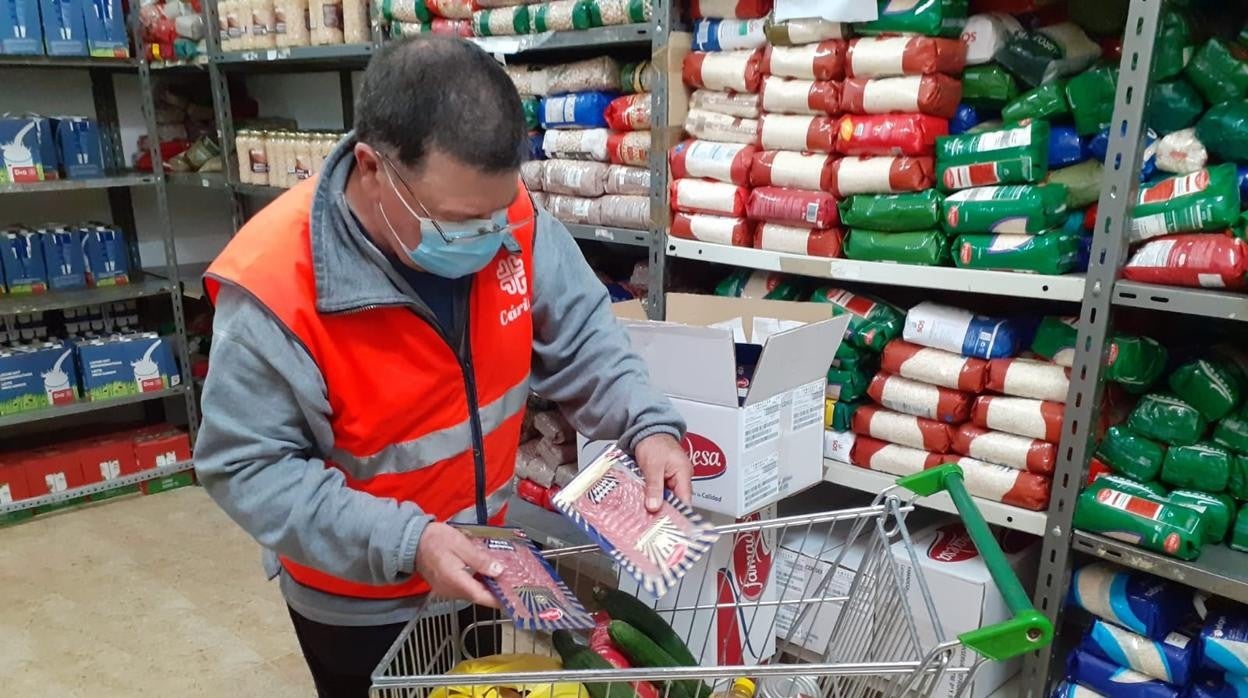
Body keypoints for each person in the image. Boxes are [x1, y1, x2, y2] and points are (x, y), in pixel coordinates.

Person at [194, 35, 693, 698]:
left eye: (499, 210)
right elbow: (246, 467)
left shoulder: (509, 221)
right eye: (461, 220)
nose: (490, 237)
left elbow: (586, 338)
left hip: (483, 564)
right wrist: (409, 541)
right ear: (372, 169)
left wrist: (648, 425)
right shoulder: (274, 289)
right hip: (357, 600)